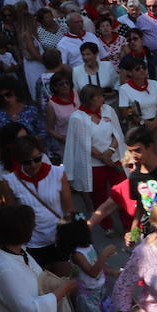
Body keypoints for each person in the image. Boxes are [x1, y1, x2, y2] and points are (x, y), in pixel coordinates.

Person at [3, 133, 75, 268]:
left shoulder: (58, 173)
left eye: (37, 159)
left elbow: (69, 208)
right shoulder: (9, 181)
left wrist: (70, 234)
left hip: (58, 238)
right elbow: (13, 218)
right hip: (32, 243)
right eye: (26, 162)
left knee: (65, 278)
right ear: (19, 161)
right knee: (43, 282)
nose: (33, 164)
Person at [63, 83, 126, 214]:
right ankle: (106, 225)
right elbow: (82, 143)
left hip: (114, 159)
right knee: (99, 197)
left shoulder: (108, 109)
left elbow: (117, 134)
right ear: (90, 99)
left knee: (122, 193)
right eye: (99, 96)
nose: (102, 98)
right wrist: (103, 158)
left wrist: (110, 152)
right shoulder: (77, 117)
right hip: (94, 165)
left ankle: (127, 223)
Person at [117, 56, 157, 153]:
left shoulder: (154, 84)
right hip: (137, 127)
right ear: (130, 73)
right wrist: (143, 122)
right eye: (137, 69)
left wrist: (155, 122)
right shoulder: (124, 89)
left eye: (144, 68)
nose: (142, 71)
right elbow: (125, 112)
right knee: (141, 156)